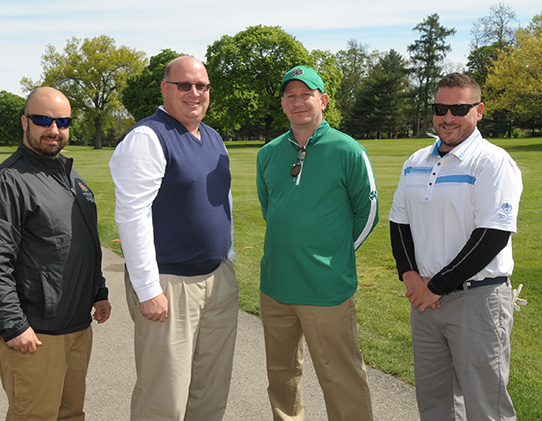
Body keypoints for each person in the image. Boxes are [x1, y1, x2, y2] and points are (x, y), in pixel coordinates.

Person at [109, 56, 239, 421]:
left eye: (202, 86)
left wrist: (226, 256)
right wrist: (148, 289)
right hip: (169, 285)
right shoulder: (148, 137)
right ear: (165, 89)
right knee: (164, 399)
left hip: (216, 280)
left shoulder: (212, 137)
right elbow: (132, 215)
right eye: (184, 85)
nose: (194, 93)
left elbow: (221, 200)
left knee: (210, 392)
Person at [0, 86, 111, 421]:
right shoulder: (7, 182)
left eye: (62, 121)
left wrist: (98, 291)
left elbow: (78, 242)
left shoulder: (70, 176)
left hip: (77, 328)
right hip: (35, 334)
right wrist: (12, 325)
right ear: (25, 122)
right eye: (43, 119)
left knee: (70, 414)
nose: (54, 129)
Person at [389, 72, 522, 420]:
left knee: (485, 406)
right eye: (441, 108)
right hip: (425, 302)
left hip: (477, 301)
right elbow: (399, 224)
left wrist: (434, 286)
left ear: (479, 111)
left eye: (459, 108)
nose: (448, 117)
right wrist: (412, 279)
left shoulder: (492, 162)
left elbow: (491, 236)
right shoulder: (415, 162)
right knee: (435, 404)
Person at [256, 65, 378, 421]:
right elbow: (271, 209)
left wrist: (335, 253)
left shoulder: (347, 150)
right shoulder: (269, 153)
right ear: (282, 104)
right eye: (290, 96)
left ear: (322, 100)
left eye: (305, 94)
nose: (298, 102)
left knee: (341, 377)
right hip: (276, 286)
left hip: (326, 289)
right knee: (281, 376)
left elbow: (366, 212)